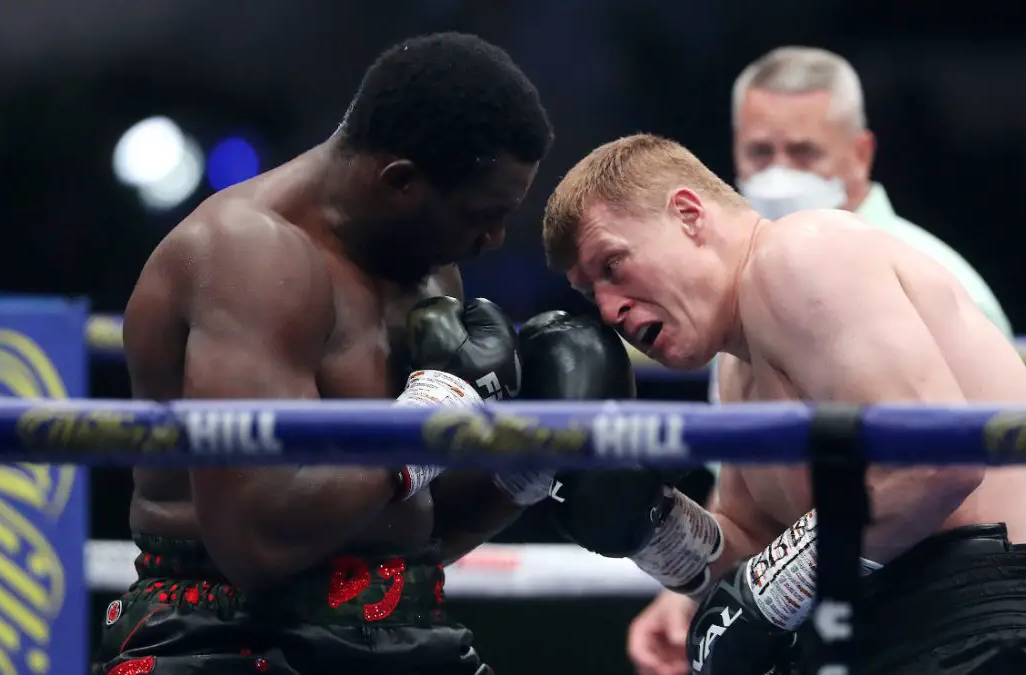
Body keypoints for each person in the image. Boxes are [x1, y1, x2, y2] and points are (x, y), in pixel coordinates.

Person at [97, 33, 636, 675]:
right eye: (482, 214)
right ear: (400, 181)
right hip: (225, 635)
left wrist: (523, 470)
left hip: (401, 624)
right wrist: (432, 420)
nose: (494, 238)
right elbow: (256, 543)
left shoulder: (429, 268)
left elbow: (408, 525)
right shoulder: (249, 258)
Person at [540, 133, 1026, 674]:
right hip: (894, 642)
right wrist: (655, 527)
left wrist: (767, 594)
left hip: (1000, 635)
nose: (610, 310)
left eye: (612, 266)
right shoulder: (736, 369)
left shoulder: (802, 253)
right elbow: (756, 558)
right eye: (591, 293)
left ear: (688, 214)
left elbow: (935, 461)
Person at [629, 46, 1015, 675]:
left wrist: (769, 593)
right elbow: (753, 507)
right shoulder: (738, 301)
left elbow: (975, 482)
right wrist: (679, 570)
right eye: (761, 153)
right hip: (832, 623)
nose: (780, 173)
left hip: (953, 616)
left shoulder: (936, 274)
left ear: (860, 154)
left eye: (804, 153)